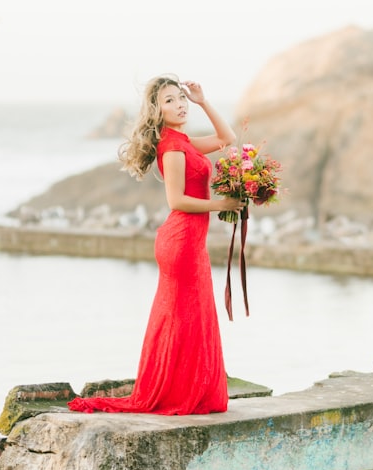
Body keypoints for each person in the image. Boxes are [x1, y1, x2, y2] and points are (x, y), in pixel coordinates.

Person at [67, 75, 244, 415]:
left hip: (191, 242)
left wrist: (202, 101)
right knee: (183, 318)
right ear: (157, 111)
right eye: (169, 100)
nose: (179, 104)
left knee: (191, 316)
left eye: (180, 98)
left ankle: (190, 391)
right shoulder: (174, 147)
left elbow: (227, 138)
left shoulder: (184, 141)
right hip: (181, 242)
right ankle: (176, 393)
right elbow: (177, 201)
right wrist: (221, 205)